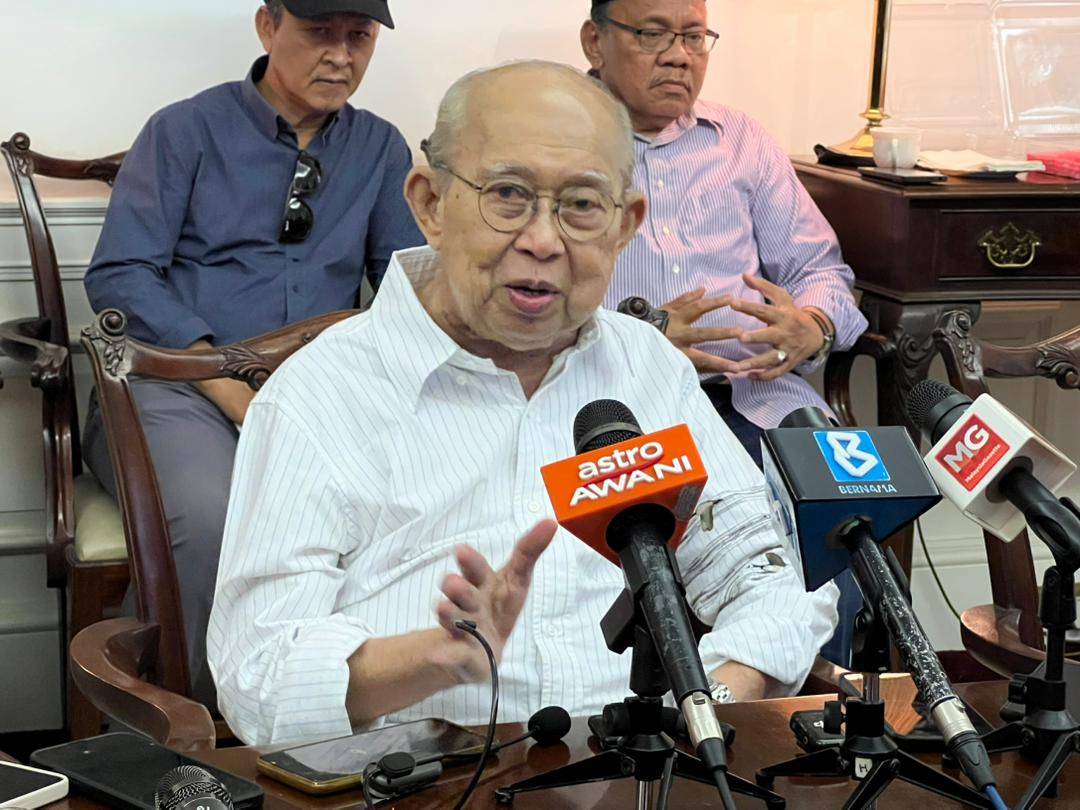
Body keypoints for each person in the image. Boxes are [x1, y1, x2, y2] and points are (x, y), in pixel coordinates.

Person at [207, 60, 839, 746]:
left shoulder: (646, 368)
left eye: (581, 205)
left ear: (624, 226)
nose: (542, 240)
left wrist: (706, 701)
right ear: (429, 204)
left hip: (632, 773)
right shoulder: (321, 394)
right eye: (507, 194)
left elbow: (771, 576)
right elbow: (255, 680)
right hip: (422, 783)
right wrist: (434, 660)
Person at [82, 0, 423, 705]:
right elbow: (120, 273)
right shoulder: (184, 130)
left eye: (359, 37)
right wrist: (228, 384)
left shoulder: (381, 148)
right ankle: (209, 730)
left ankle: (341, 714)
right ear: (268, 27)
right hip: (171, 388)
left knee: (412, 507)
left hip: (321, 395)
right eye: (319, 33)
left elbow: (404, 287)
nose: (342, 56)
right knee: (219, 517)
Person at [582, 0, 868, 664]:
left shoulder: (743, 140)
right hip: (625, 411)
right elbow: (527, 301)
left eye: (694, 36)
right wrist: (643, 336)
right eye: (654, 34)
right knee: (656, 580)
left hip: (763, 398)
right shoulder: (559, 140)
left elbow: (824, 270)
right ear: (596, 40)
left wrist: (813, 325)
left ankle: (816, 740)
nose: (680, 55)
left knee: (849, 537)